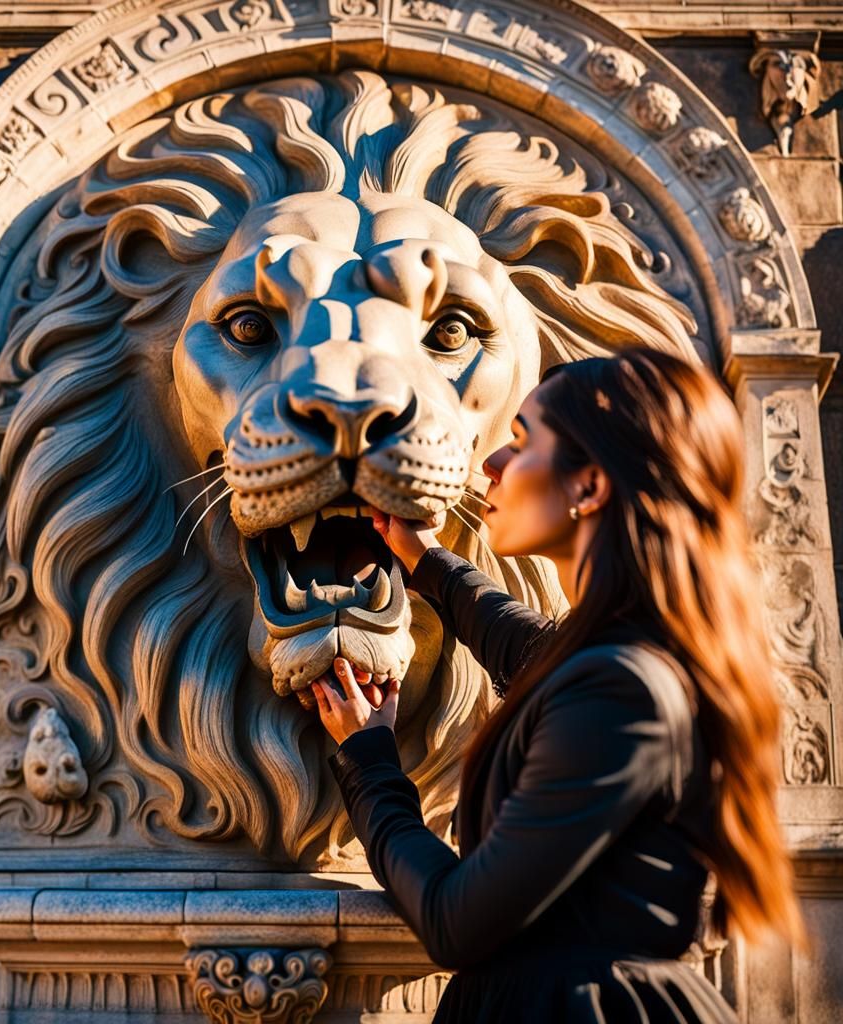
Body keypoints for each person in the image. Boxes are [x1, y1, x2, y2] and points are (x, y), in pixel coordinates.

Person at [308, 348, 805, 1022]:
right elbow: (526, 646)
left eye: (521, 442)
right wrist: (424, 561)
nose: (492, 466)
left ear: (590, 486)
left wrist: (371, 765)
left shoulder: (623, 688)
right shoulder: (627, 655)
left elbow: (455, 920)